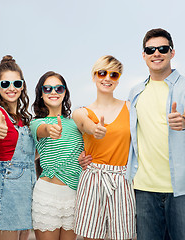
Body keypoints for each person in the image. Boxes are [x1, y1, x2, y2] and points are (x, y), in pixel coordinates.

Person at [126, 28, 185, 240]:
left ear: (172, 52)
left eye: (162, 48)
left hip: (183, 189)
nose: (156, 53)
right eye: (150, 49)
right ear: (143, 55)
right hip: (144, 189)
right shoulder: (135, 92)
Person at [73, 55, 136, 240]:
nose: (107, 78)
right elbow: (85, 125)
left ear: (118, 80)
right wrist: (95, 129)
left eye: (114, 75)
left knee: (123, 237)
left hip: (122, 180)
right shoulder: (81, 112)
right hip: (93, 178)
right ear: (94, 76)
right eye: (102, 73)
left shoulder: (131, 108)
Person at [30, 71, 84, 240]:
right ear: (41, 94)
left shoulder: (77, 123)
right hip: (48, 195)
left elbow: (83, 152)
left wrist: (84, 159)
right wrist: (51, 130)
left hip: (74, 196)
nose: (53, 92)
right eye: (47, 88)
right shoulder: (37, 123)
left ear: (65, 92)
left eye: (58, 88)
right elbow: (44, 130)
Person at [0, 55, 35, 240]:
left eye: (16, 84)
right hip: (9, 185)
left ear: (22, 85)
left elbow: (31, 155)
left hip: (29, 185)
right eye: (5, 84)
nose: (11, 88)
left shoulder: (25, 119)